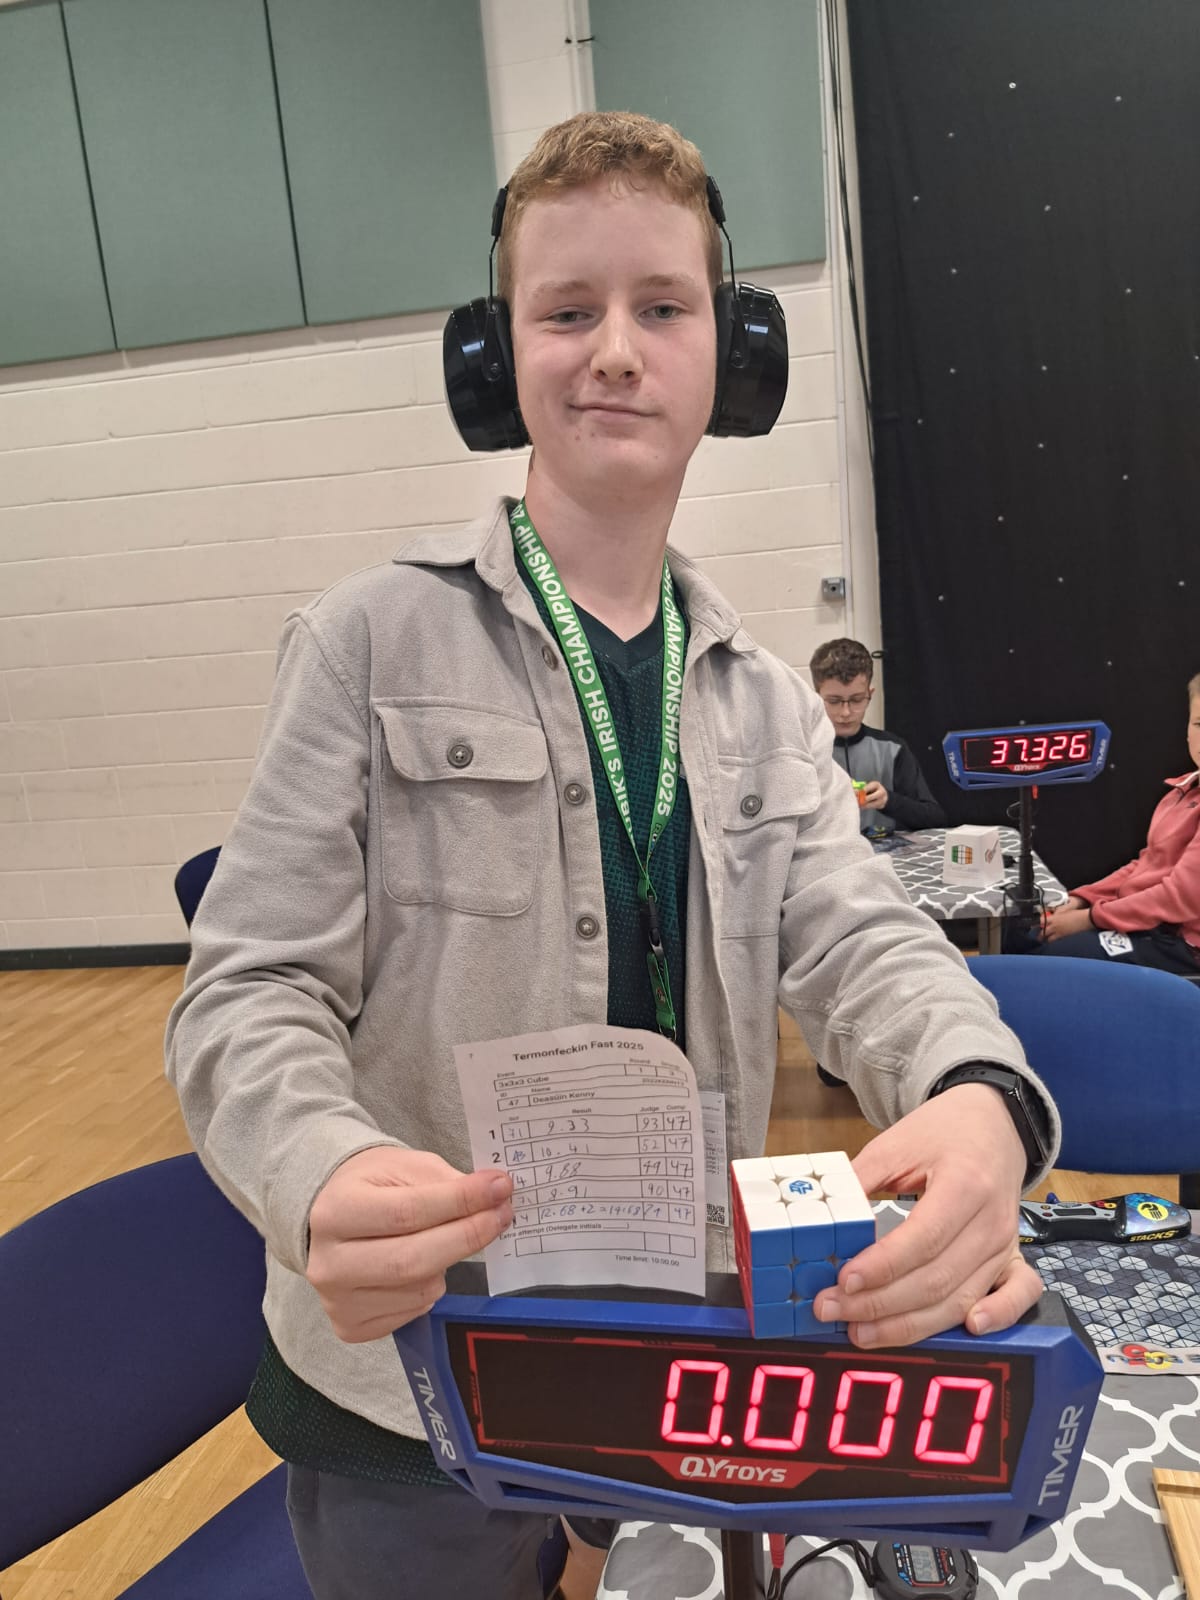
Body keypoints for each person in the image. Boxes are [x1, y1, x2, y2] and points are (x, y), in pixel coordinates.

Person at [165, 112, 1058, 1600]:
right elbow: (245, 991)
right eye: (567, 312)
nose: (618, 353)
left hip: (675, 1349)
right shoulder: (364, 643)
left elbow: (864, 941)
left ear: (738, 355)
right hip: (413, 1381)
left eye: (664, 308)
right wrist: (318, 1169)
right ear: (494, 358)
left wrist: (978, 1093)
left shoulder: (766, 700)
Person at [1041, 674, 1200, 973]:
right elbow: (1146, 864)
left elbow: (1181, 897)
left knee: (1051, 955)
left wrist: (1089, 918)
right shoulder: (1180, 791)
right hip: (1152, 928)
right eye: (1199, 724)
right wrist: (1081, 899)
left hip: (1185, 948)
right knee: (1024, 934)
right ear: (1187, 730)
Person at [810, 637, 946, 836]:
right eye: (834, 701)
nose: (845, 712)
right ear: (816, 698)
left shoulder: (891, 748)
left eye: (857, 700)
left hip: (883, 851)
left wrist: (888, 801)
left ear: (870, 695)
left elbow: (935, 818)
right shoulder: (806, 751)